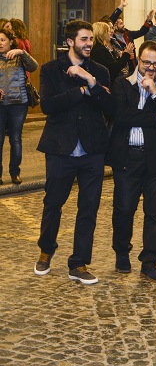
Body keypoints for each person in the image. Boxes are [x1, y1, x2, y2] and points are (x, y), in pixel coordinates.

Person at [34, 20, 116, 284]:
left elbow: (108, 105)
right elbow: (47, 105)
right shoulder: (51, 69)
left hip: (93, 149)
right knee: (53, 204)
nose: (89, 44)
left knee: (88, 208)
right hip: (60, 149)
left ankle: (79, 263)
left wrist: (90, 81)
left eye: (91, 39)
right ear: (70, 42)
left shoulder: (100, 71)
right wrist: (82, 90)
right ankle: (46, 250)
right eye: (84, 39)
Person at [108, 41, 156, 284]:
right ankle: (121, 251)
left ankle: (149, 262)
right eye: (146, 62)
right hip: (127, 156)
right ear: (137, 61)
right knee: (124, 208)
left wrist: (155, 92)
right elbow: (120, 115)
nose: (150, 68)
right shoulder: (122, 84)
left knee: (155, 213)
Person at [0, 28, 38, 184]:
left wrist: (22, 52)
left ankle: (15, 172)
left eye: (2, 40)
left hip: (18, 105)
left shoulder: (20, 57)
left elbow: (34, 66)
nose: (0, 43)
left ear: (10, 41)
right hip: (1, 105)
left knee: (15, 139)